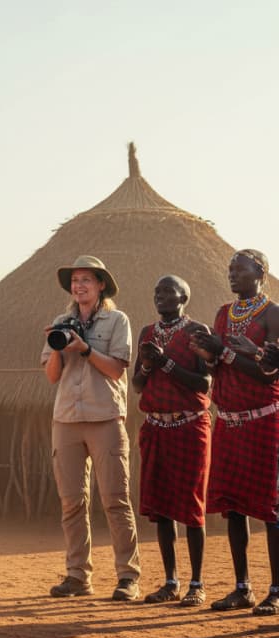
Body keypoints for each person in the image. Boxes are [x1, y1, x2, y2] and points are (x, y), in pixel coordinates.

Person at [41, 255, 141, 601]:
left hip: (105, 418)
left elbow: (116, 369)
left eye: (86, 280)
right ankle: (77, 576)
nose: (79, 286)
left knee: (115, 499)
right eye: (75, 280)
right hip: (66, 419)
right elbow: (52, 376)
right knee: (71, 502)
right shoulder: (60, 321)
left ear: (100, 285)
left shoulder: (117, 321)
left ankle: (128, 576)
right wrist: (57, 345)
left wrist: (84, 348)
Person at [190, 249, 279, 615]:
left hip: (264, 419)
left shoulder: (274, 314)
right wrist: (207, 351)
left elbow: (270, 372)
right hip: (228, 419)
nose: (231, 273)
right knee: (233, 506)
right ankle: (242, 587)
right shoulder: (224, 314)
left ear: (260, 271)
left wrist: (228, 352)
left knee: (272, 508)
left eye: (239, 268)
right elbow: (214, 368)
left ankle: (276, 589)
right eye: (229, 268)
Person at [132, 275, 211, 607]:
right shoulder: (147, 334)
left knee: (192, 508)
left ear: (184, 298)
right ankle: (170, 581)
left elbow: (205, 384)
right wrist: (149, 365)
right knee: (162, 509)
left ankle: (196, 583)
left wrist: (166, 361)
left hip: (189, 427)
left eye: (168, 292)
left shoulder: (198, 332)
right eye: (156, 291)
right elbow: (136, 385)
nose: (160, 296)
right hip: (156, 427)